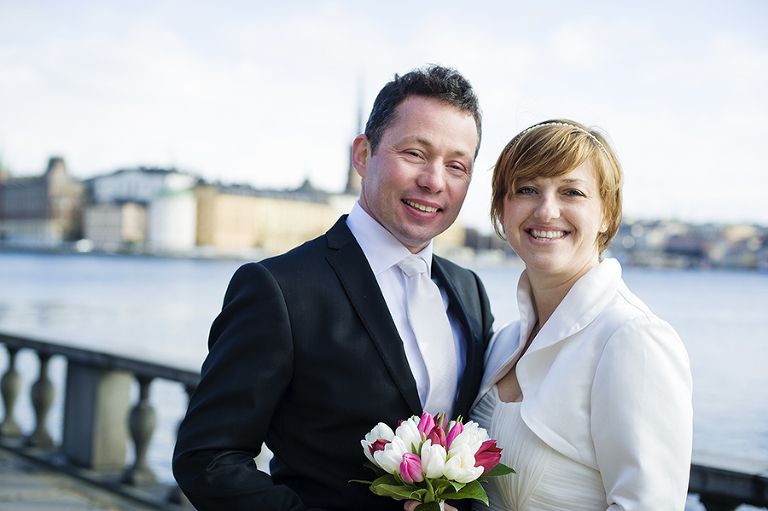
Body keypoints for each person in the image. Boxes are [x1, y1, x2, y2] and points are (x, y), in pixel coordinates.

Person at [172, 64, 495, 511]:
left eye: (457, 165)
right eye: (415, 154)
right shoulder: (279, 289)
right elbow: (207, 458)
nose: (435, 180)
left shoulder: (470, 292)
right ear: (363, 155)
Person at [470, 120, 693, 510]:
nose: (546, 210)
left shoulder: (632, 338)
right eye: (527, 189)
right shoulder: (503, 341)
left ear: (607, 214)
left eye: (571, 191)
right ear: (501, 208)